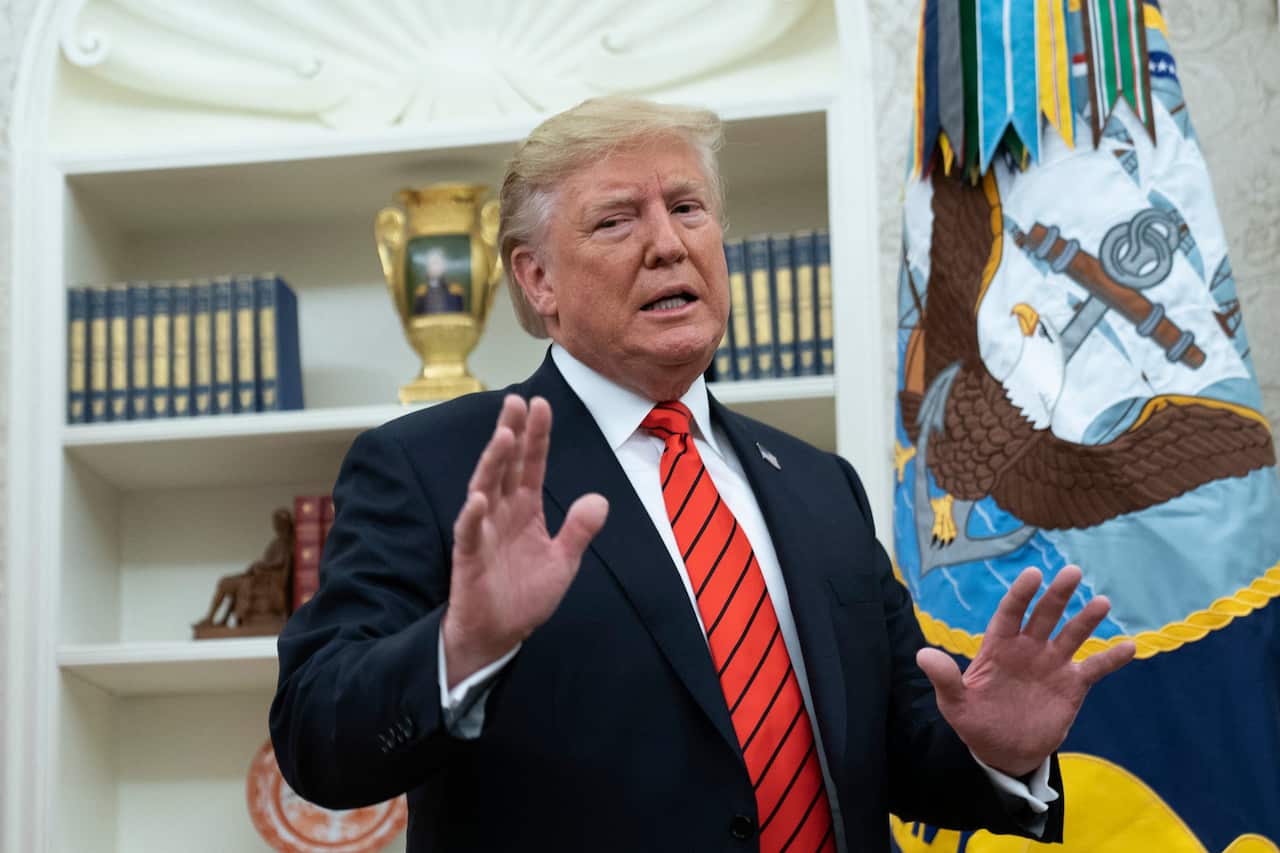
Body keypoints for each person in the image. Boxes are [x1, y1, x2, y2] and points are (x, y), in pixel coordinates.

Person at [269, 97, 1135, 852]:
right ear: (537, 280)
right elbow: (317, 737)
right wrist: (462, 647)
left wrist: (999, 750)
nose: (667, 244)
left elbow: (899, 747)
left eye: (688, 207)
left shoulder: (817, 483)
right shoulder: (436, 466)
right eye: (616, 220)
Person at [411, 246, 467, 314]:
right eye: (434, 263)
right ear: (428, 267)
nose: (438, 267)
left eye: (440, 263)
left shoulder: (456, 292)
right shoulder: (420, 293)